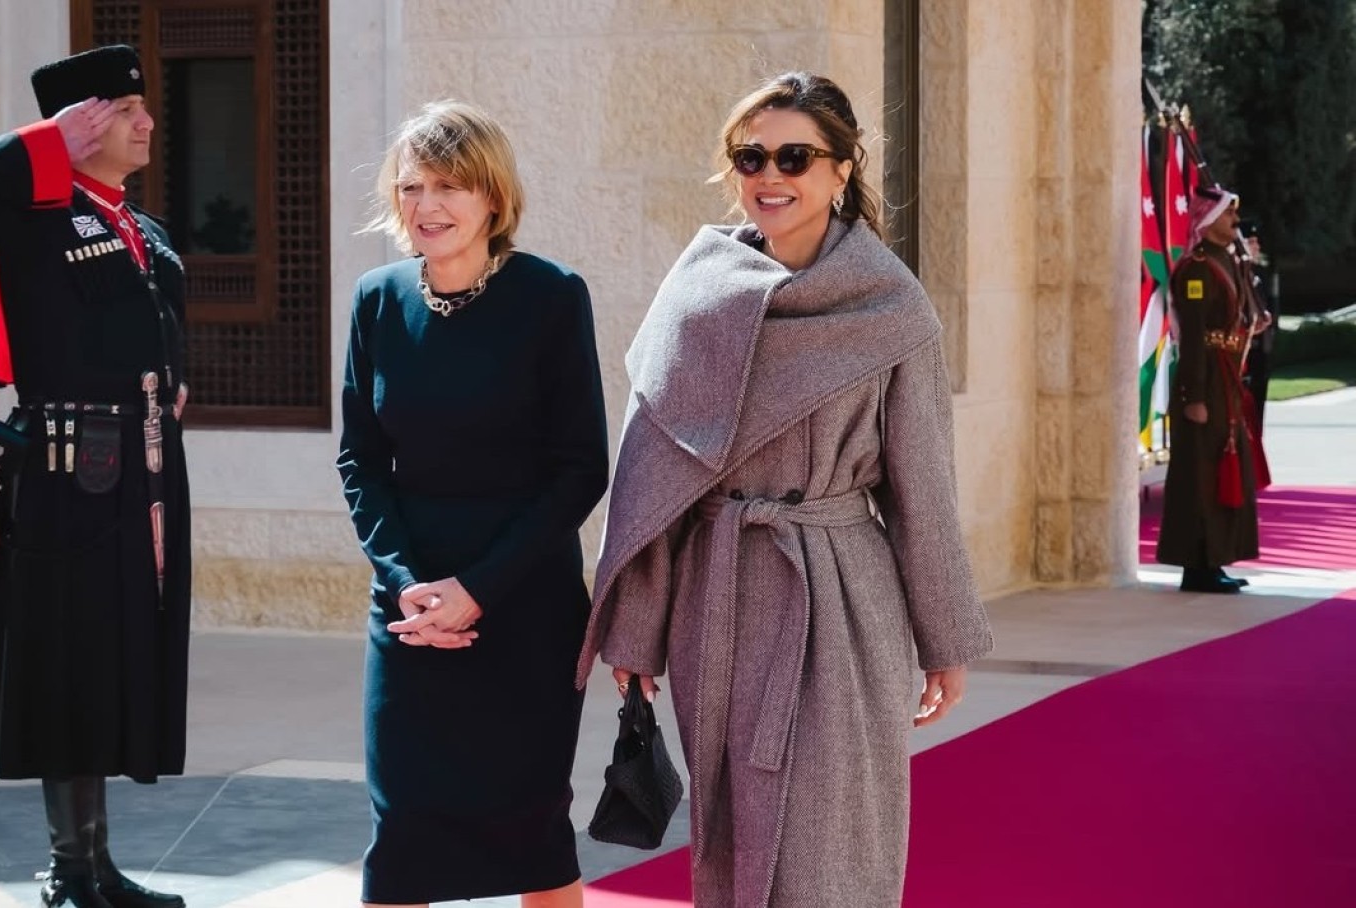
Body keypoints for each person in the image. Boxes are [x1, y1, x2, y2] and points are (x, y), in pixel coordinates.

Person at [576, 72, 994, 907]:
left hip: (841, 601)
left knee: (830, 839)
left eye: (794, 157)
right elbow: (653, 477)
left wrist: (943, 637)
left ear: (842, 168)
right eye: (750, 157)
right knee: (732, 832)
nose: (770, 176)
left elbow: (922, 486)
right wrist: (637, 630)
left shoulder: (890, 304)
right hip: (717, 602)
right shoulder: (696, 294)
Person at [337, 100, 608, 908]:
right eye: (411, 186)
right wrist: (404, 583)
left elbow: (579, 469)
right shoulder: (377, 299)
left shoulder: (551, 295)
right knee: (402, 831)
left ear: (493, 196)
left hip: (523, 603)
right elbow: (360, 461)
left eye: (449, 185)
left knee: (531, 829)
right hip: (409, 607)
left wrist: (478, 589)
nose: (427, 205)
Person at [0, 45, 191, 908]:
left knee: (113, 655)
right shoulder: (28, 213)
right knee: (68, 659)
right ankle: (69, 872)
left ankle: (99, 866)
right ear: (83, 122)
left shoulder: (143, 229)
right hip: (68, 467)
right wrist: (39, 144)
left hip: (144, 467)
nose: (147, 123)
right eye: (126, 111)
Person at [1157, 186, 1269, 593]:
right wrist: (1195, 396)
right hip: (1206, 382)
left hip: (1225, 381)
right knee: (1201, 476)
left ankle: (1215, 560)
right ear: (1207, 221)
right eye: (1227, 215)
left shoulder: (1227, 260)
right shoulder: (1197, 269)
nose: (1235, 222)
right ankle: (1197, 566)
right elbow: (1194, 337)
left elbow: (1242, 317)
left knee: (1224, 469)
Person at [1239, 221, 1277, 432]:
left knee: (1258, 404)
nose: (1256, 246)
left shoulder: (1261, 273)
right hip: (1244, 348)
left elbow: (1271, 307)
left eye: (1256, 242)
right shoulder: (1236, 274)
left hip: (1261, 349)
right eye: (1251, 241)